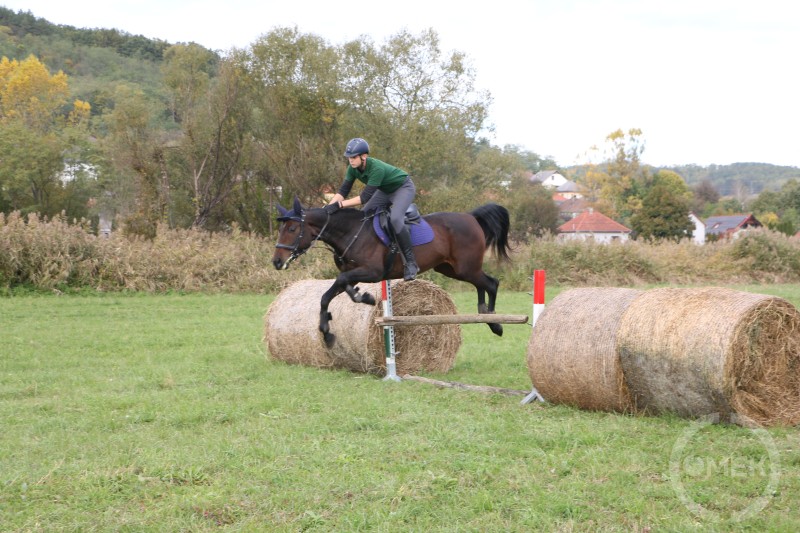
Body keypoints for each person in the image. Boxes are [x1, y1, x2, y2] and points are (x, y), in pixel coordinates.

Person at [325, 137, 419, 281]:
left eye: (354, 157)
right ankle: (374, 253)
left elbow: (364, 198)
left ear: (364, 156)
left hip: (403, 188)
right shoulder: (352, 169)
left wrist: (339, 205)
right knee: (364, 215)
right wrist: (328, 208)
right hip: (385, 190)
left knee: (395, 218)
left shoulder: (376, 168)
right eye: (349, 157)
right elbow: (342, 192)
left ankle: (411, 263)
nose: (351, 160)